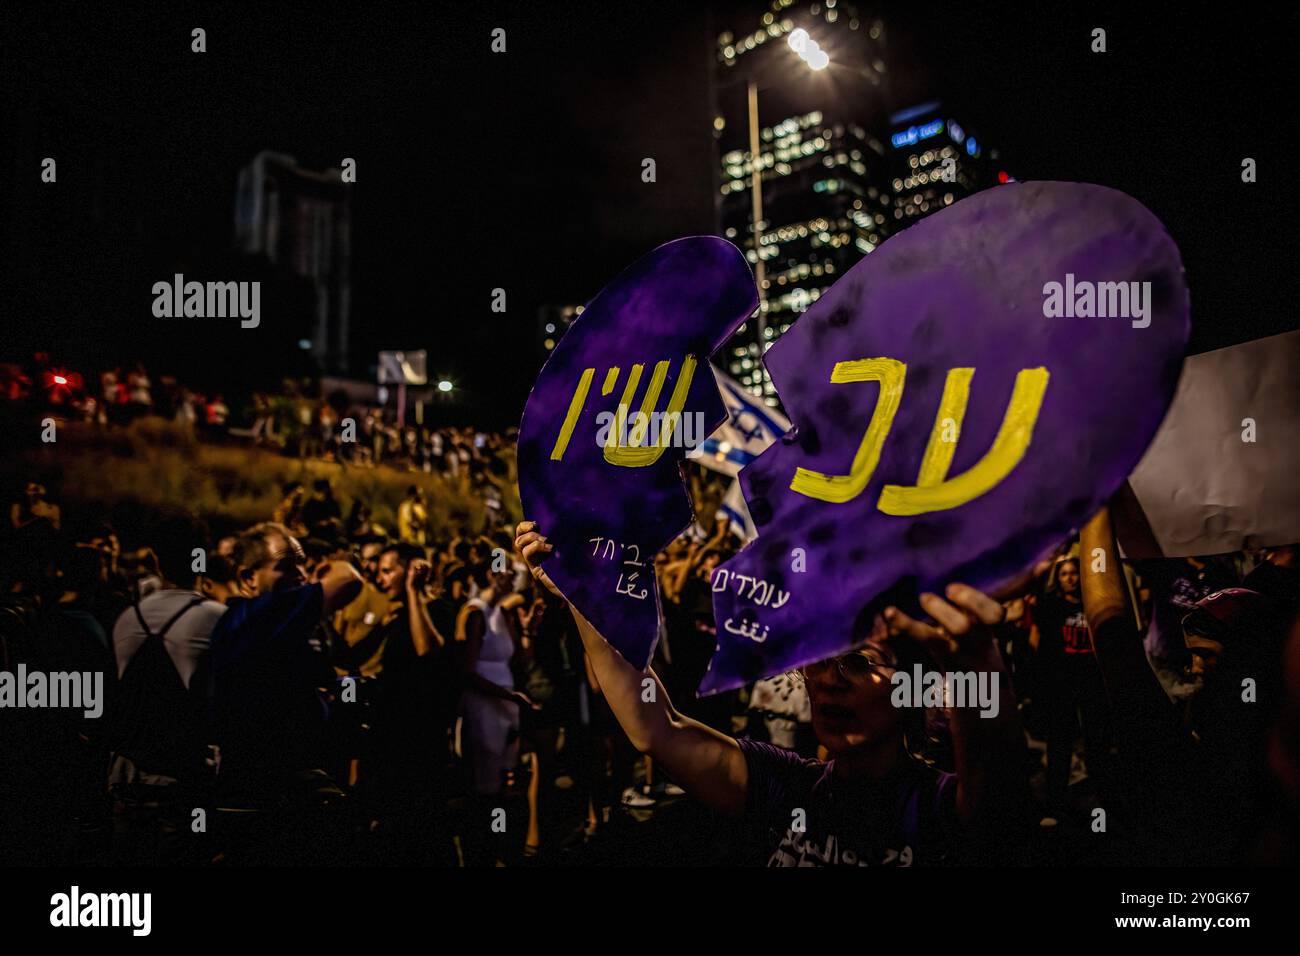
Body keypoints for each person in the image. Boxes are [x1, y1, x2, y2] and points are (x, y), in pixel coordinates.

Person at [516, 521, 1027, 866]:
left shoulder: (938, 807)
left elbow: (998, 794)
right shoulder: (784, 786)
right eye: (821, 661)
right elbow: (655, 727)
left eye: (859, 662)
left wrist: (977, 662)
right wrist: (584, 599)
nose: (830, 679)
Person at [208, 521, 361, 862]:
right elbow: (347, 578)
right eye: (286, 566)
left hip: (297, 789)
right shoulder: (252, 618)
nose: (302, 574)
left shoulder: (288, 624)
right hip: (262, 798)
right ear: (249, 578)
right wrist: (327, 569)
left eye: (303, 564)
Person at [107, 514, 229, 864]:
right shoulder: (215, 617)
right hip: (185, 784)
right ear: (202, 558)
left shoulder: (127, 617)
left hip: (126, 780)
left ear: (155, 560)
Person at [1029, 556, 1113, 822]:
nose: (1070, 578)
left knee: (1096, 739)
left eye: (1074, 573)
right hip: (1061, 682)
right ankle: (1055, 802)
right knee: (1060, 742)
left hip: (1091, 681)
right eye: (1064, 574)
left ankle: (1104, 796)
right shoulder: (1052, 605)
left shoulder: (1093, 604)